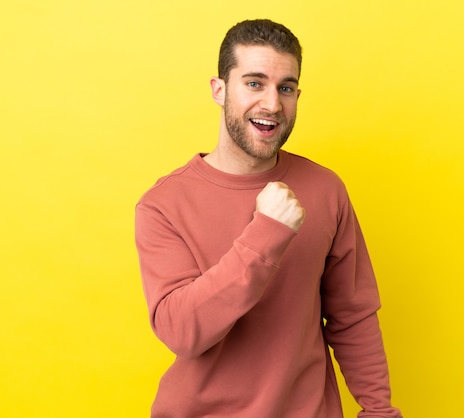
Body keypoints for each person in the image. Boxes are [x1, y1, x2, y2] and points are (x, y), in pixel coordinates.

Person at [135, 19, 402, 418]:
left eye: (286, 88)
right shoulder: (162, 204)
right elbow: (182, 333)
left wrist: (378, 409)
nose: (273, 104)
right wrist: (266, 234)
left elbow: (353, 314)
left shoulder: (325, 189)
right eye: (254, 83)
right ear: (219, 90)